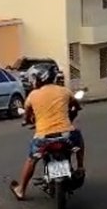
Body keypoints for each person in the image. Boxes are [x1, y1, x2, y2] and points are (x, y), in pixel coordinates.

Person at [9, 65, 85, 200]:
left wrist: (27, 121)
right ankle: (80, 167)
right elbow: (76, 107)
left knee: (32, 159)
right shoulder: (64, 91)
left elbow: (27, 117)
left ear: (38, 79)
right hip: (66, 135)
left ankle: (21, 190)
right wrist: (72, 113)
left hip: (43, 137)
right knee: (78, 138)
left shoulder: (32, 96)